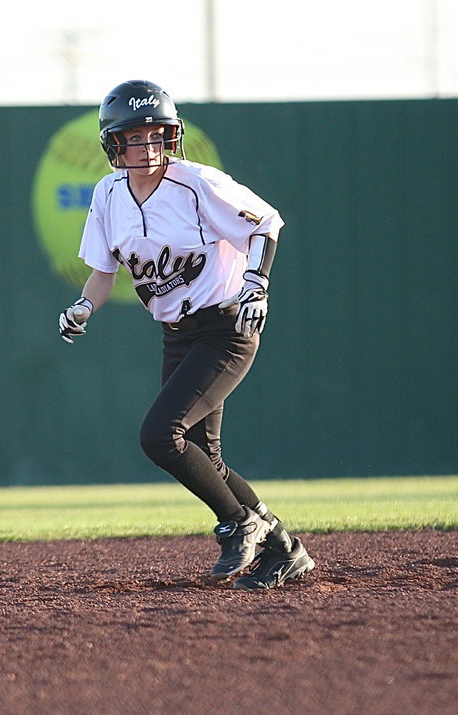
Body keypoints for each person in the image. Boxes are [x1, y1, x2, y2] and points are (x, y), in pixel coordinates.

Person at [58, 80, 315, 590]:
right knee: (205, 454)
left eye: (157, 134)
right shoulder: (109, 194)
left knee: (159, 436)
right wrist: (85, 304)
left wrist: (256, 285)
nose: (148, 146)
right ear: (113, 144)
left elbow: (267, 221)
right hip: (177, 334)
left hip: (225, 328)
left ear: (172, 137)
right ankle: (286, 549)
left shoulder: (197, 183)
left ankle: (239, 524)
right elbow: (104, 272)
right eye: (134, 136)